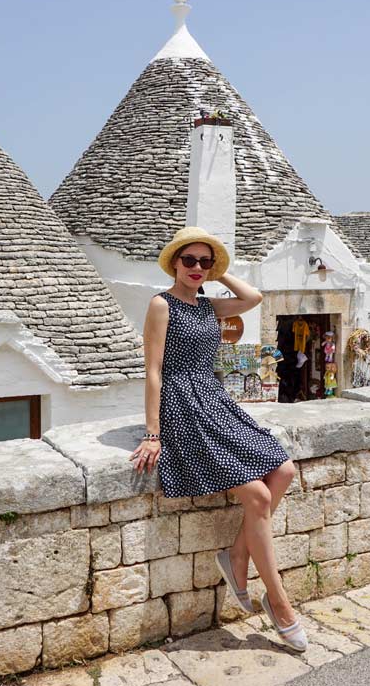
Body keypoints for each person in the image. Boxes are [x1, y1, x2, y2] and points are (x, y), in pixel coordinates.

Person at [129, 226, 308, 652]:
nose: (195, 268)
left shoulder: (209, 306)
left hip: (212, 399)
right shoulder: (161, 305)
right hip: (181, 409)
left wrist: (220, 271)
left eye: (203, 262)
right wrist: (153, 433)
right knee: (259, 497)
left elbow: (254, 299)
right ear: (174, 263)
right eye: (188, 260)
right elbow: (153, 370)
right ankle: (279, 603)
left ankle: (237, 555)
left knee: (283, 470)